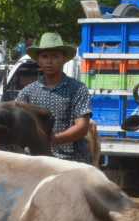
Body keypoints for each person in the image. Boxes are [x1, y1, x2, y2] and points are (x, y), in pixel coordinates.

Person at [16, 33, 92, 163]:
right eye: (45, 56)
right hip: (34, 159)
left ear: (64, 59)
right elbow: (17, 125)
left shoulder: (78, 89)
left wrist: (53, 139)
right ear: (38, 60)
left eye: (55, 56)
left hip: (71, 159)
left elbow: (82, 127)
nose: (49, 61)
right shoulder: (27, 92)